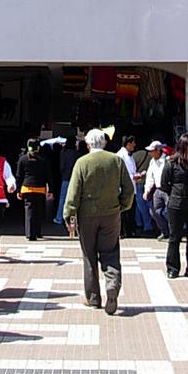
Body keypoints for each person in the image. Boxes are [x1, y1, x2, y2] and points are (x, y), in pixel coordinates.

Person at [63, 128, 134, 315]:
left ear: (88, 144)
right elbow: (129, 189)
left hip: (87, 215)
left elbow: (73, 192)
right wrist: (122, 206)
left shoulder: (82, 163)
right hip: (111, 214)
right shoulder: (116, 161)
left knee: (89, 255)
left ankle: (93, 298)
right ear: (104, 142)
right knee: (110, 252)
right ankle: (112, 284)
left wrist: (69, 215)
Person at [161, 133, 188, 279]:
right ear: (184, 146)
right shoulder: (171, 163)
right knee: (175, 237)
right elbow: (164, 184)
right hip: (176, 205)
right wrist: (176, 194)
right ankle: (173, 267)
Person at [16, 138, 52, 240]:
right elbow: (49, 176)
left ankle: (30, 234)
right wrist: (51, 190)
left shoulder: (22, 159)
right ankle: (38, 232)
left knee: (29, 210)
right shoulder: (44, 160)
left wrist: (18, 190)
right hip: (40, 188)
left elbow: (19, 176)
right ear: (38, 147)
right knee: (39, 211)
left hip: (26, 188)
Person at [143, 141, 169, 240]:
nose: (150, 153)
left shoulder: (167, 160)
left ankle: (173, 232)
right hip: (158, 189)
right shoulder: (152, 162)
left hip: (167, 189)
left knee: (169, 212)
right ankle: (164, 231)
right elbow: (150, 177)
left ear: (158, 150)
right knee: (154, 211)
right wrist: (147, 190)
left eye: (152, 151)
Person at [54, 136, 78, 225]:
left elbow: (61, 166)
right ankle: (72, 219)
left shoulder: (63, 152)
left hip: (65, 177)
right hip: (75, 178)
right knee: (75, 199)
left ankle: (59, 217)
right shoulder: (76, 153)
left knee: (62, 199)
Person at [116, 135, 137, 238]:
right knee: (123, 212)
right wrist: (134, 176)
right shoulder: (120, 155)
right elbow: (121, 172)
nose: (134, 145)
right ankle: (121, 231)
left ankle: (129, 231)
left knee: (131, 211)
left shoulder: (130, 156)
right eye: (133, 143)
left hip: (132, 187)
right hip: (123, 187)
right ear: (128, 144)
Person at [132, 142, 153, 235]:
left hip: (138, 182)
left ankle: (142, 224)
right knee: (147, 204)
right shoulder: (150, 155)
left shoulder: (135, 155)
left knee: (140, 204)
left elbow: (133, 168)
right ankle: (144, 224)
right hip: (148, 182)